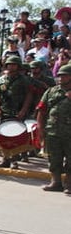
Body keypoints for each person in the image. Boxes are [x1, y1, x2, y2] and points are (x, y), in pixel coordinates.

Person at [35, 64, 71, 192]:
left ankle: (69, 184)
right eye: (60, 75)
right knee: (54, 157)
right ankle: (55, 182)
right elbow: (42, 109)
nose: (61, 78)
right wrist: (40, 127)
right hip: (52, 130)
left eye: (65, 75)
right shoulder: (51, 91)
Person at [0, 55, 33, 168]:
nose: (11, 66)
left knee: (15, 136)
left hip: (17, 111)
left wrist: (23, 110)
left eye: (14, 64)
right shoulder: (1, 79)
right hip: (4, 111)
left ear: (18, 66)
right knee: (2, 135)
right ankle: (5, 159)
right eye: (9, 64)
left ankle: (14, 160)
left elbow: (29, 95)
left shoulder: (24, 80)